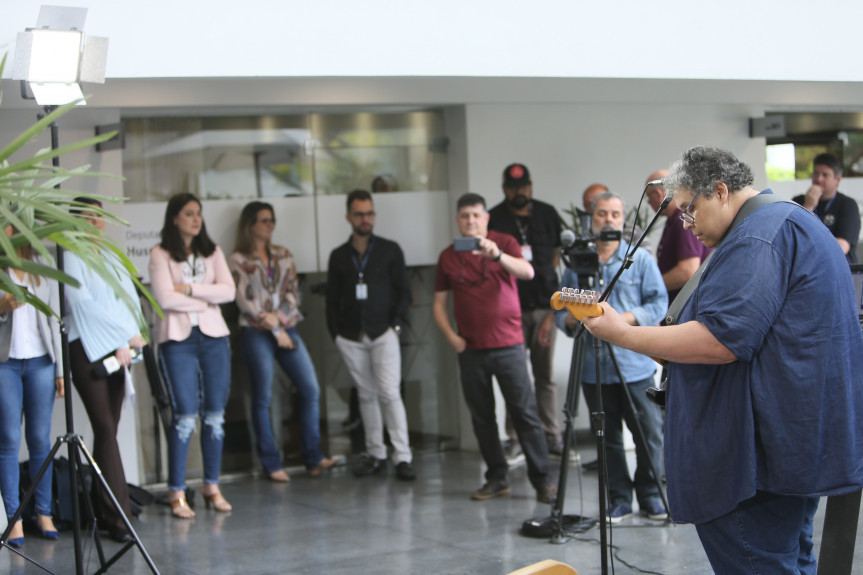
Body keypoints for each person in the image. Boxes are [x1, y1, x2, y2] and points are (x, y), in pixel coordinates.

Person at [581, 146, 863, 573]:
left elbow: (720, 340)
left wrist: (623, 334)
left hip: (753, 464)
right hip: (792, 448)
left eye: (689, 210)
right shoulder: (788, 220)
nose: (687, 224)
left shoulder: (757, 238)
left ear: (720, 190)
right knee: (790, 560)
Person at [433, 193, 556, 503]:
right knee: (482, 417)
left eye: (476, 215)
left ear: (486, 218)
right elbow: (438, 304)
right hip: (470, 349)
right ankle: (497, 478)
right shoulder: (448, 256)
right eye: (465, 216)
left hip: (509, 345)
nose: (471, 221)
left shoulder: (504, 242)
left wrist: (497, 254)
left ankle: (543, 481)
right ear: (458, 220)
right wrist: (452, 337)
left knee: (524, 413)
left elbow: (528, 272)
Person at [554, 191, 668, 522]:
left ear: (622, 219)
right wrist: (571, 319)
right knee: (607, 439)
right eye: (602, 214)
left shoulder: (639, 258)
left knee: (648, 433)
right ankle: (618, 498)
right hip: (594, 368)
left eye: (615, 214)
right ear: (591, 218)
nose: (608, 220)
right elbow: (561, 309)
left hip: (635, 364)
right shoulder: (577, 262)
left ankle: (651, 495)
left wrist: (620, 322)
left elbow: (658, 303)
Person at [230, 201, 338, 482]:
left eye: (272, 220)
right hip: (256, 331)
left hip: (286, 328)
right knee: (263, 397)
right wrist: (272, 326)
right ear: (250, 225)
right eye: (264, 220)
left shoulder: (283, 255)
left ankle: (313, 456)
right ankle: (271, 462)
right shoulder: (238, 260)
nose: (270, 225)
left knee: (310, 388)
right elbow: (244, 301)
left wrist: (278, 323)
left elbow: (293, 293)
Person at [149, 193, 236, 519]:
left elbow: (229, 291)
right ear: (175, 218)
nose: (196, 219)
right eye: (188, 213)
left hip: (214, 338)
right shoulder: (160, 253)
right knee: (185, 415)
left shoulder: (213, 251)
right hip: (178, 340)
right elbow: (164, 299)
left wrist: (188, 289)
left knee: (215, 414)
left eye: (198, 213)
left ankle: (211, 485)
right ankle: (176, 491)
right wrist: (207, 298)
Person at [64, 198, 145, 543]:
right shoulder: (70, 254)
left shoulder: (111, 255)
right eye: (88, 217)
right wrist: (123, 335)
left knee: (108, 429)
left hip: (118, 350)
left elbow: (129, 300)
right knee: (106, 428)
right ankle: (119, 519)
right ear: (75, 222)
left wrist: (130, 338)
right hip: (86, 348)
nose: (96, 222)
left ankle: (105, 510)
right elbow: (81, 304)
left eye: (99, 217)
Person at [325, 189, 415, 481]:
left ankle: (402, 456)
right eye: (360, 214)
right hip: (352, 335)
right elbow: (331, 300)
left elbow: (404, 292)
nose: (366, 219)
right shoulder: (339, 256)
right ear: (348, 217)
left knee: (389, 393)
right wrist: (336, 335)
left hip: (383, 332)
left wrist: (396, 328)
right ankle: (376, 454)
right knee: (366, 395)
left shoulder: (390, 250)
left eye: (370, 213)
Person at [488, 163, 565, 463]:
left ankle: (551, 435)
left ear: (530, 186)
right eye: (512, 187)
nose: (518, 192)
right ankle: (515, 437)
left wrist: (551, 313)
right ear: (504, 189)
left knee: (544, 376)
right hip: (511, 312)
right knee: (515, 377)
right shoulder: (494, 218)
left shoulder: (547, 213)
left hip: (545, 307)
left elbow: (557, 253)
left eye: (523, 186)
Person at [0, 228, 63, 547]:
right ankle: (13, 517)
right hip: (5, 364)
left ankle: (43, 512)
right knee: (8, 440)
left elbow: (54, 319)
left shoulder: (42, 265)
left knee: (40, 439)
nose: (8, 229)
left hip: (41, 362)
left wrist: (61, 369)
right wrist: (2, 307)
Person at [644, 171, 712, 303]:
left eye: (649, 196)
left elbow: (687, 272)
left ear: (659, 194)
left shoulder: (682, 220)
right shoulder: (673, 220)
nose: (648, 202)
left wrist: (648, 287)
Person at [792, 152, 860, 263]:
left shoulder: (847, 205)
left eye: (825, 175)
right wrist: (808, 207)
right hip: (806, 268)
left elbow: (841, 247)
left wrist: (807, 247)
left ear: (838, 179)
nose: (819, 179)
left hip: (839, 268)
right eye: (816, 173)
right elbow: (792, 239)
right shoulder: (798, 201)